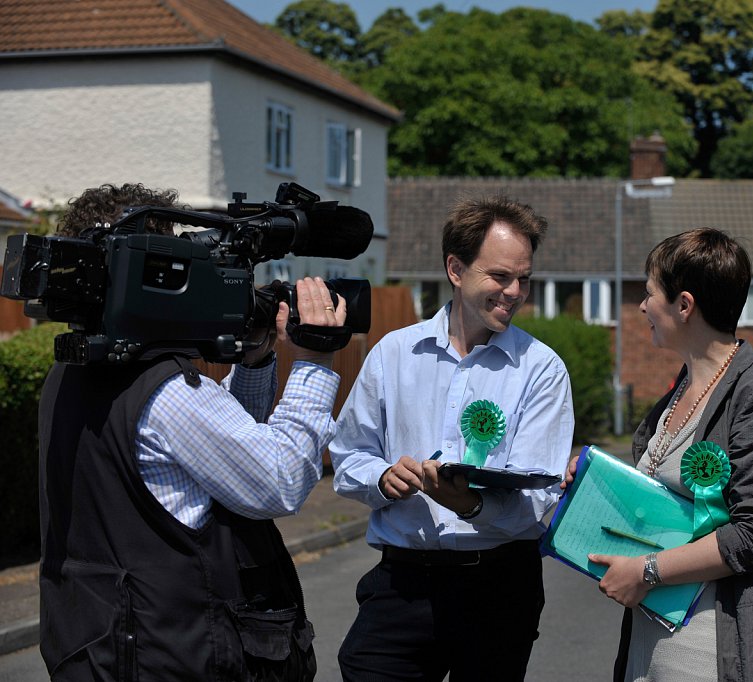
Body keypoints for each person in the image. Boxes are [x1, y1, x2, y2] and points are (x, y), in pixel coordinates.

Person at [38, 183, 346, 680]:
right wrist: (314, 361)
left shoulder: (74, 371)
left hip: (98, 647)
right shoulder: (166, 389)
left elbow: (215, 465)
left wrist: (255, 360)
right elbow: (278, 480)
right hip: (174, 654)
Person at [330, 195, 575, 681]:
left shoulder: (542, 370)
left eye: (523, 278)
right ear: (456, 269)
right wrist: (382, 477)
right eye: (500, 276)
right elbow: (348, 455)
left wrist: (469, 506)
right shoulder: (393, 353)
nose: (514, 291)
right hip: (402, 583)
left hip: (499, 587)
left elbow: (541, 495)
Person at [565, 227, 753, 681]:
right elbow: (666, 501)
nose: (642, 307)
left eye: (649, 294)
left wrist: (647, 571)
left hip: (711, 649)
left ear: (684, 305)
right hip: (650, 641)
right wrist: (591, 479)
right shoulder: (681, 388)